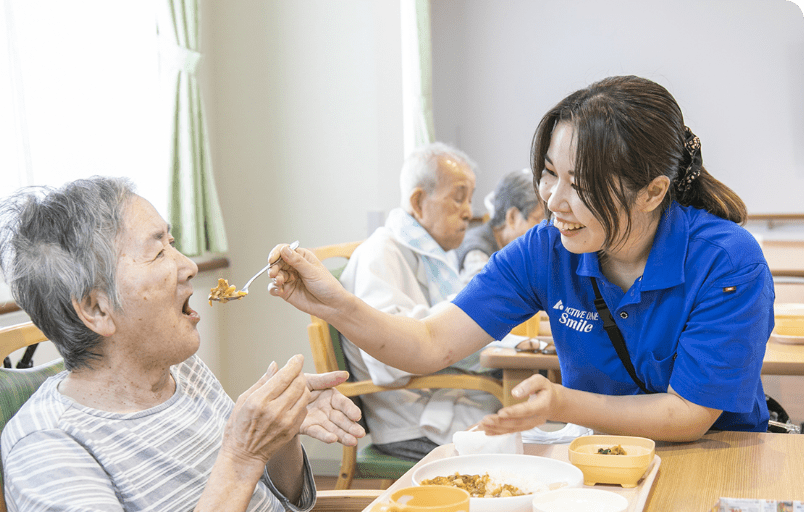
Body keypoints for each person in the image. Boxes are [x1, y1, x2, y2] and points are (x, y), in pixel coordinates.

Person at [268, 75, 772, 442]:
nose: (553, 201)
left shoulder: (727, 261)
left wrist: (563, 402)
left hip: (716, 460)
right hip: (604, 461)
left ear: (652, 192)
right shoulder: (546, 249)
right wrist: (334, 304)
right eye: (550, 173)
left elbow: (687, 415)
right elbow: (429, 343)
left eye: (581, 184)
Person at [0, 176, 365, 512]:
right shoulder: (47, 448)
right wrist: (241, 457)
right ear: (96, 308)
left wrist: (279, 435)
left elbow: (269, 509)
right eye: (158, 251)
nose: (189, 266)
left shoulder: (183, 370)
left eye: (173, 242)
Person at [336, 142, 502, 460]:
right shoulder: (380, 253)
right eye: (458, 198)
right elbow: (388, 359)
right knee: (520, 442)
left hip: (444, 397)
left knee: (527, 416)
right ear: (418, 201)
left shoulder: (433, 256)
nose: (469, 212)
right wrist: (467, 317)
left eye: (470, 199)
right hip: (412, 419)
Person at [454, 169, 545, 282]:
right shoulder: (476, 254)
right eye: (539, 218)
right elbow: (484, 290)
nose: (544, 228)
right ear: (512, 217)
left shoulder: (514, 248)